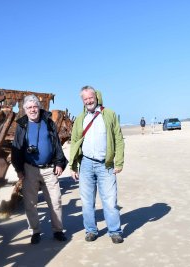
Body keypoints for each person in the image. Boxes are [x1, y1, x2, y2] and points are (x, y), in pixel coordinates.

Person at [69, 85, 125, 244]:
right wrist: (73, 166)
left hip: (105, 165)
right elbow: (74, 142)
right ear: (82, 101)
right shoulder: (80, 119)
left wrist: (119, 162)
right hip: (86, 164)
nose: (88, 101)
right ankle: (91, 230)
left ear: (96, 97)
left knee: (110, 201)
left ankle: (114, 231)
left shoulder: (109, 114)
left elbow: (118, 139)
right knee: (87, 202)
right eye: (85, 99)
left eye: (90, 97)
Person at [11, 94, 68, 244]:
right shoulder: (22, 125)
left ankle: (58, 231)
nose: (32, 110)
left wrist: (59, 163)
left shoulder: (48, 122)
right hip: (30, 169)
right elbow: (16, 149)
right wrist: (18, 169)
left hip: (50, 169)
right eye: (29, 107)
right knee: (30, 203)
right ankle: (35, 231)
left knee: (56, 201)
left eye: (34, 106)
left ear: (39, 107)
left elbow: (57, 144)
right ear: (24, 110)